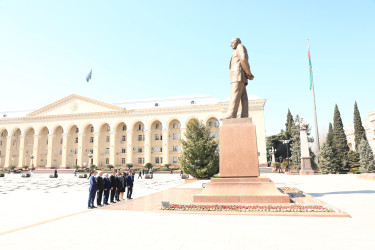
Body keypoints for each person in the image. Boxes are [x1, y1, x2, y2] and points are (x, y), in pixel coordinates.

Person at [223, 38, 254, 119]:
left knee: (235, 94)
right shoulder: (237, 49)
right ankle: (244, 115)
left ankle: (231, 114)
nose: (230, 44)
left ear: (238, 42)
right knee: (243, 97)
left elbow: (243, 59)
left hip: (238, 76)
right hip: (240, 76)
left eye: (232, 42)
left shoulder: (240, 46)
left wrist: (248, 72)